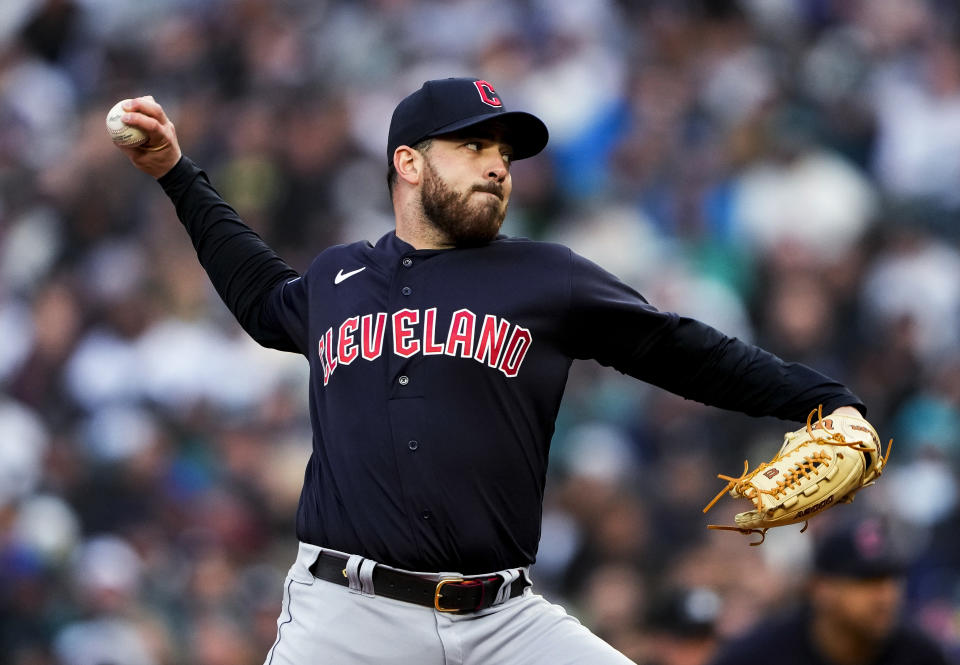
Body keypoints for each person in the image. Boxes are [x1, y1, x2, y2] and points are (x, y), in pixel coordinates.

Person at [114, 78, 873, 665]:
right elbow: (257, 294)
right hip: (347, 616)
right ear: (407, 163)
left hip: (502, 618)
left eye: (505, 155)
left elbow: (682, 349)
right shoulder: (340, 276)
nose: (498, 166)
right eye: (474, 147)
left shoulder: (547, 278)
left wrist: (823, 399)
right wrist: (177, 172)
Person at [707, 518, 950, 665]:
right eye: (866, 581)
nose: (886, 596)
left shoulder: (921, 657)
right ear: (820, 589)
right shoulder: (757, 657)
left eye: (891, 579)